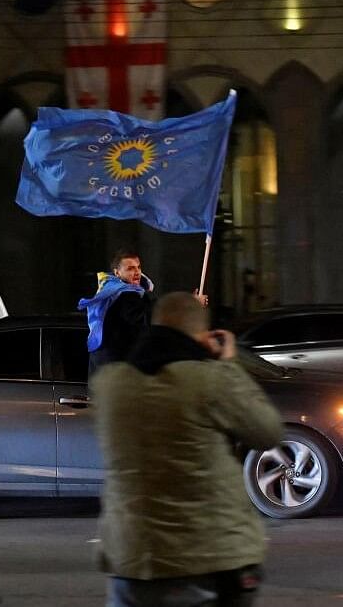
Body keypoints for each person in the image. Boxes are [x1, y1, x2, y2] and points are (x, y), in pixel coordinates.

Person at [92, 292, 283, 607]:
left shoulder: (109, 385)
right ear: (204, 336)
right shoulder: (208, 381)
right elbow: (267, 431)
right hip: (209, 557)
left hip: (131, 558)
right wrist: (229, 365)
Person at [80, 248, 208, 373]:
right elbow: (148, 316)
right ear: (117, 272)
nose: (137, 272)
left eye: (138, 267)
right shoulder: (124, 294)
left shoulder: (115, 290)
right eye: (130, 268)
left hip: (105, 362)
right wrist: (190, 304)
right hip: (114, 365)